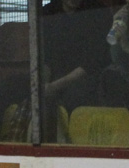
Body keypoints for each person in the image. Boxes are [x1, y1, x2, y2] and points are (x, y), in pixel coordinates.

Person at [39, 0, 113, 133]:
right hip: (54, 75)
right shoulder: (48, 12)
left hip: (87, 76)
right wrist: (43, 83)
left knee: (74, 96)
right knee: (12, 88)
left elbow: (93, 62)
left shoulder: (98, 12)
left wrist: (54, 86)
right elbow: (44, 56)